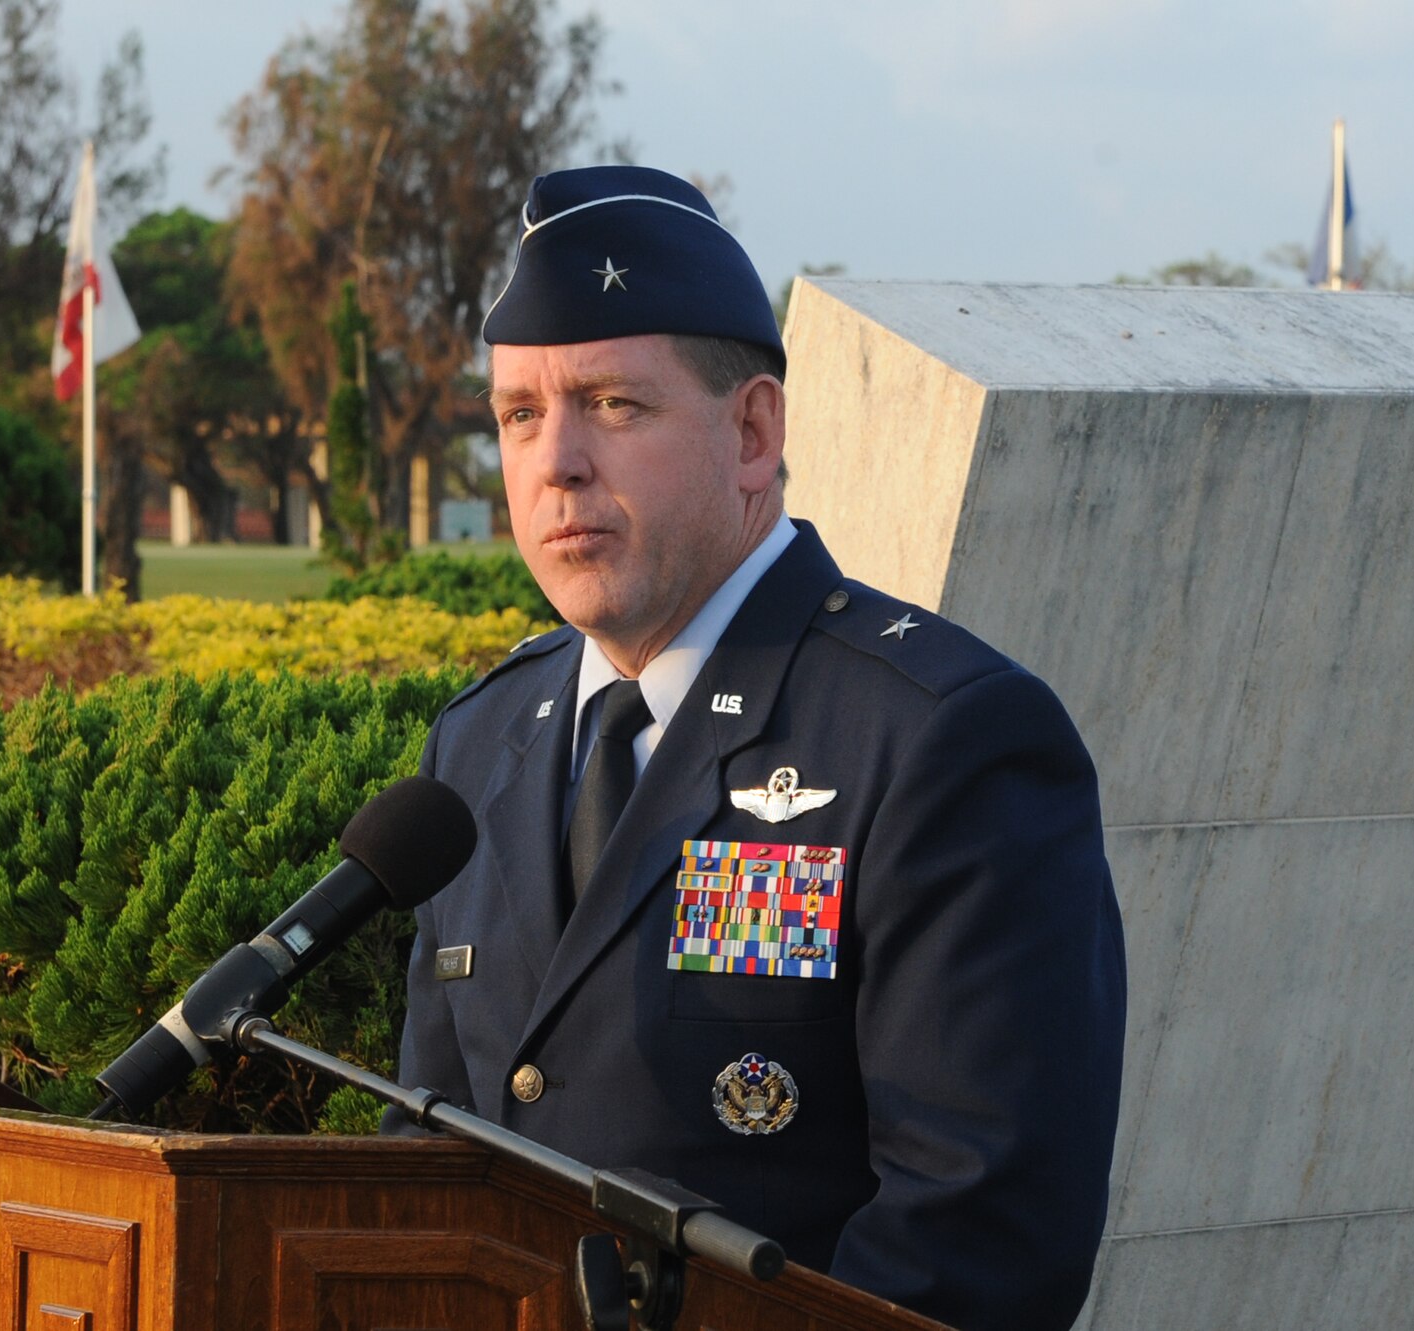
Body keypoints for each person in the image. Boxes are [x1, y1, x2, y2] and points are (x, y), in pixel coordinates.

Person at [389, 165, 1126, 1331]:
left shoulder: (940, 737)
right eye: (519, 415)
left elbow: (979, 1236)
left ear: (751, 430)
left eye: (613, 405)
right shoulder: (478, 741)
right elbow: (424, 1155)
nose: (555, 461)